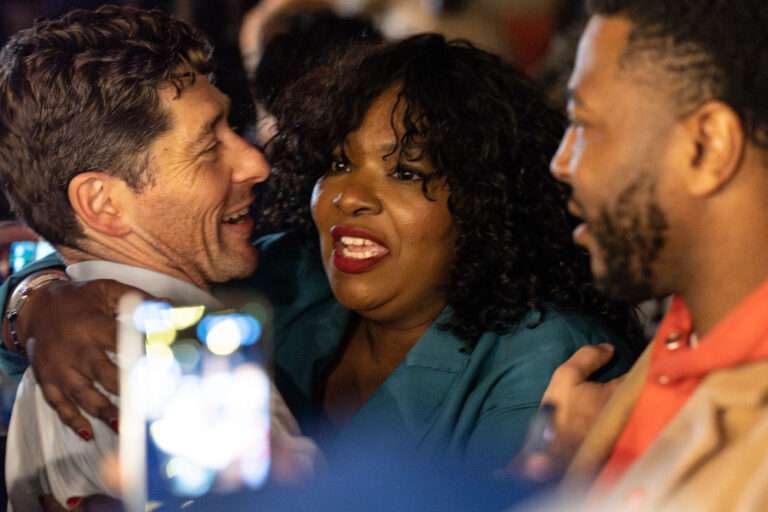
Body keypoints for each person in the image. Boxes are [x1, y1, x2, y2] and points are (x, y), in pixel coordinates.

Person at [0, 34, 636, 475]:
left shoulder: (556, 365)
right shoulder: (277, 280)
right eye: (337, 162)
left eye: (408, 172)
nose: (347, 197)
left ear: (491, 201)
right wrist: (42, 297)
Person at [0, 6, 317, 510]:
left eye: (232, 128)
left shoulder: (78, 350)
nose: (255, 162)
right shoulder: (169, 361)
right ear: (103, 203)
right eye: (208, 145)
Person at [538, 0, 768, 509]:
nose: (561, 163)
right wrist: (546, 460)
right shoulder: (688, 334)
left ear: (706, 147)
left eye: (585, 124)